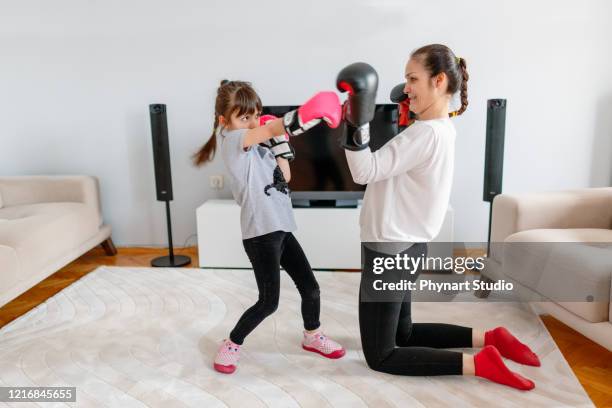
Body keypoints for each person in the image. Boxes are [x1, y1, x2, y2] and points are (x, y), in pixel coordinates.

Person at [337, 45, 540, 391]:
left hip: (389, 250)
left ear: (439, 80)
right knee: (405, 332)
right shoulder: (442, 128)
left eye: (412, 78)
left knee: (381, 354)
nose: (406, 87)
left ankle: (479, 363)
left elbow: (364, 171)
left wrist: (355, 122)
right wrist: (404, 109)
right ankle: (491, 337)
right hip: (411, 246)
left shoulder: (423, 134)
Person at [193, 80, 346, 374]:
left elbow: (284, 176)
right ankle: (232, 343)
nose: (250, 122)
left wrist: (278, 145)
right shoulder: (233, 143)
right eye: (243, 117)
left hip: (282, 228)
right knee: (268, 302)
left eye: (254, 115)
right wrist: (305, 114)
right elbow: (268, 129)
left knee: (311, 288)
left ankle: (312, 336)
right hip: (260, 234)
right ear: (225, 121)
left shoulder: (259, 149)